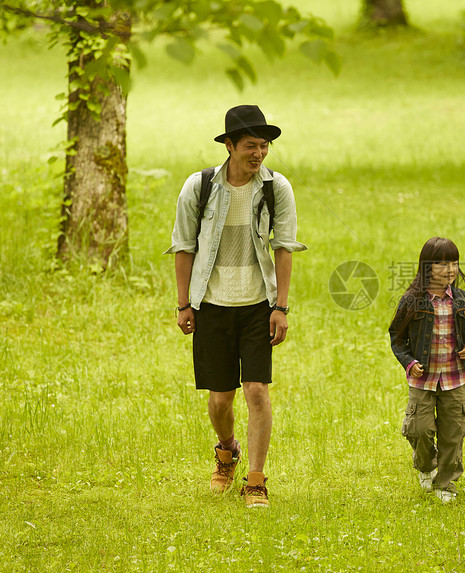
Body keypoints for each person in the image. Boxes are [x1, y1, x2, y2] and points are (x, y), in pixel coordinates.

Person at [166, 105, 307, 508]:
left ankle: (256, 480)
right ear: (229, 145)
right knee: (220, 400)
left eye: (265, 146)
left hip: (256, 305)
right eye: (250, 146)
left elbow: (284, 247)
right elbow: (183, 246)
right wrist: (183, 304)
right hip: (211, 304)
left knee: (257, 391)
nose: (259, 153)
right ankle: (227, 451)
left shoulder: (275, 187)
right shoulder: (200, 186)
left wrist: (281, 306)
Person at [389, 237, 465, 502]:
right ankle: (426, 465)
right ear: (427, 267)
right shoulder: (412, 300)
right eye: (442, 263)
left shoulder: (462, 300)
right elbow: (397, 336)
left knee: (453, 431)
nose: (450, 269)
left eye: (454, 262)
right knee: (419, 429)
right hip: (423, 380)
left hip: (454, 378)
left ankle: (445, 484)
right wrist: (409, 362)